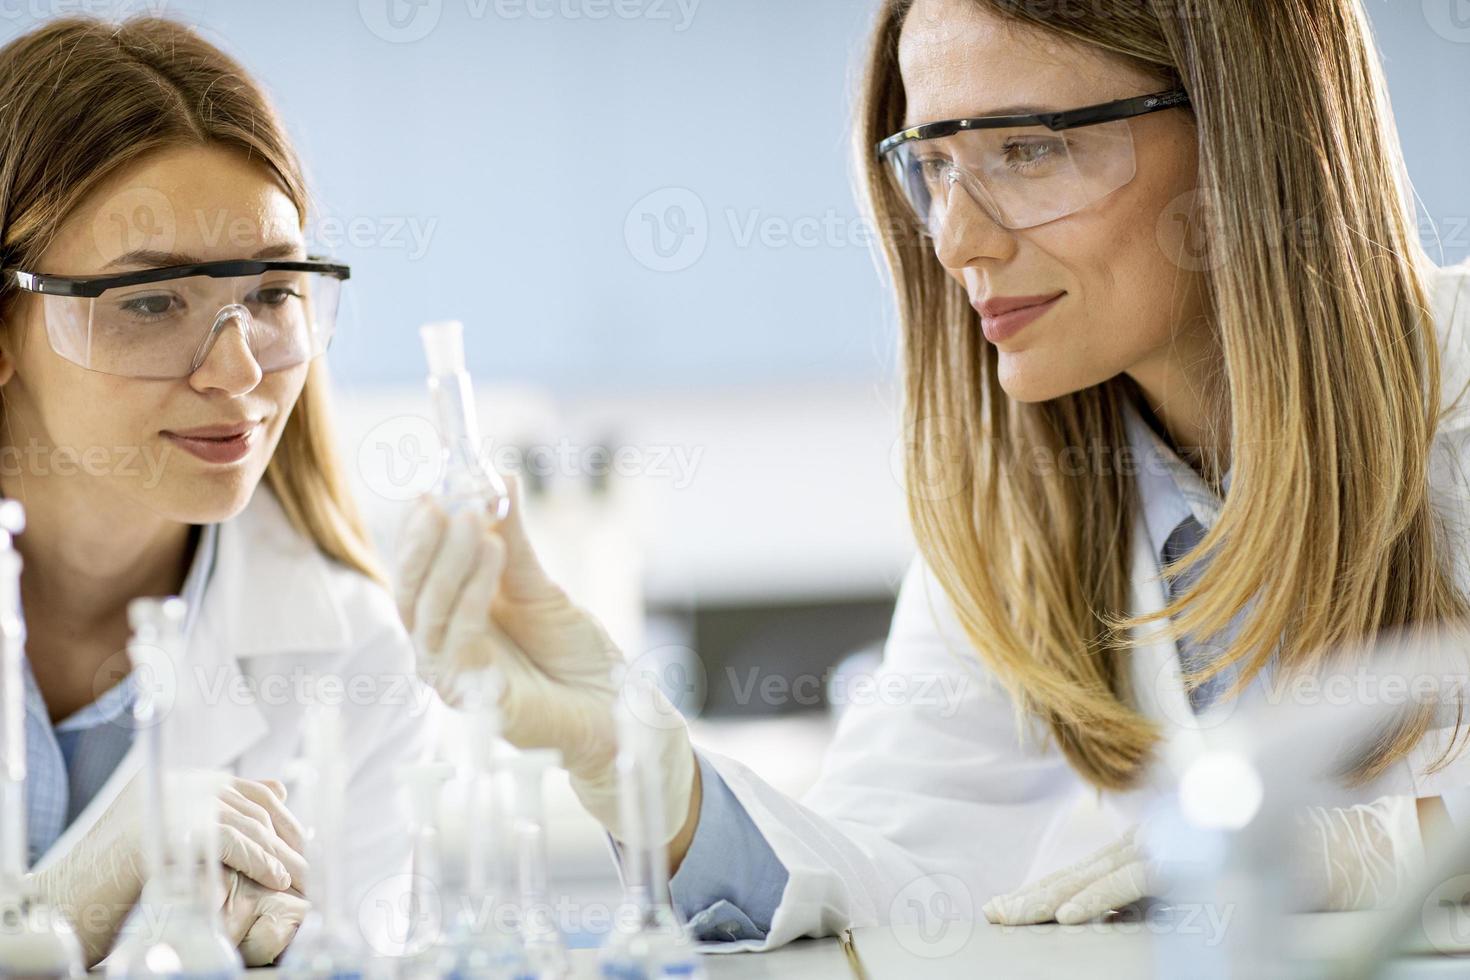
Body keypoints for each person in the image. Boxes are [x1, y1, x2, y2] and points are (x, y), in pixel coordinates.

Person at [394, 0, 1470, 951]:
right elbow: (881, 865)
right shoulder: (1027, 516)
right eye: (935, 164)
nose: (957, 240)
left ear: (1243, 133)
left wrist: (1394, 849)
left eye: (1029, 152)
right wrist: (631, 752)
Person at [0, 17, 432, 964]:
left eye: (275, 294)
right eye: (152, 302)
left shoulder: (348, 647)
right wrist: (87, 895)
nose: (238, 373)